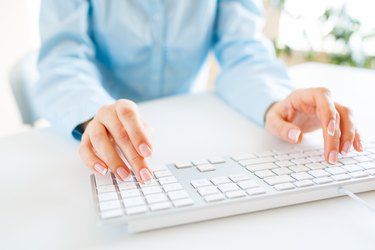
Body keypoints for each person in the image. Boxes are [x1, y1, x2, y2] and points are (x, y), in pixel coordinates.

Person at [34, 0, 362, 184]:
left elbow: (242, 50)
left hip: (187, 135)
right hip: (97, 136)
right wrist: (93, 113)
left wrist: (276, 102)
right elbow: (62, 58)